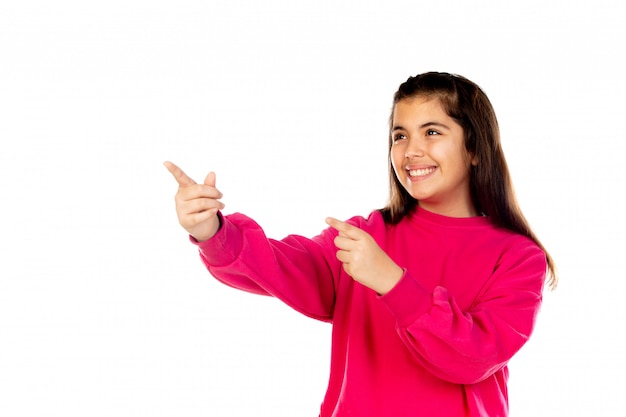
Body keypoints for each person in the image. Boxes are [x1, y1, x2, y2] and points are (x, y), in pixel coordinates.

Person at [164, 71, 557, 417]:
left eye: (432, 132)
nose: (411, 150)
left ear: (473, 148)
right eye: (399, 135)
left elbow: (474, 357)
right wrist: (212, 230)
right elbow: (281, 266)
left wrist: (392, 282)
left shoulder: (519, 257)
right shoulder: (365, 235)